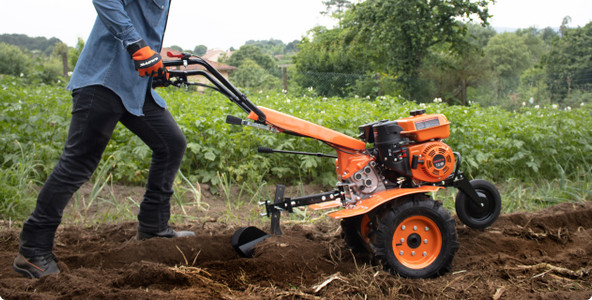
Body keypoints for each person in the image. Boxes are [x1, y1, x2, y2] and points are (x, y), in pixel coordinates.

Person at [13, 0, 194, 279]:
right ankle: (32, 250)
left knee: (171, 144)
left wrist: (155, 65)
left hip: (134, 88)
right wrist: (136, 45)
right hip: (103, 81)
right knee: (78, 163)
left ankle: (153, 227)